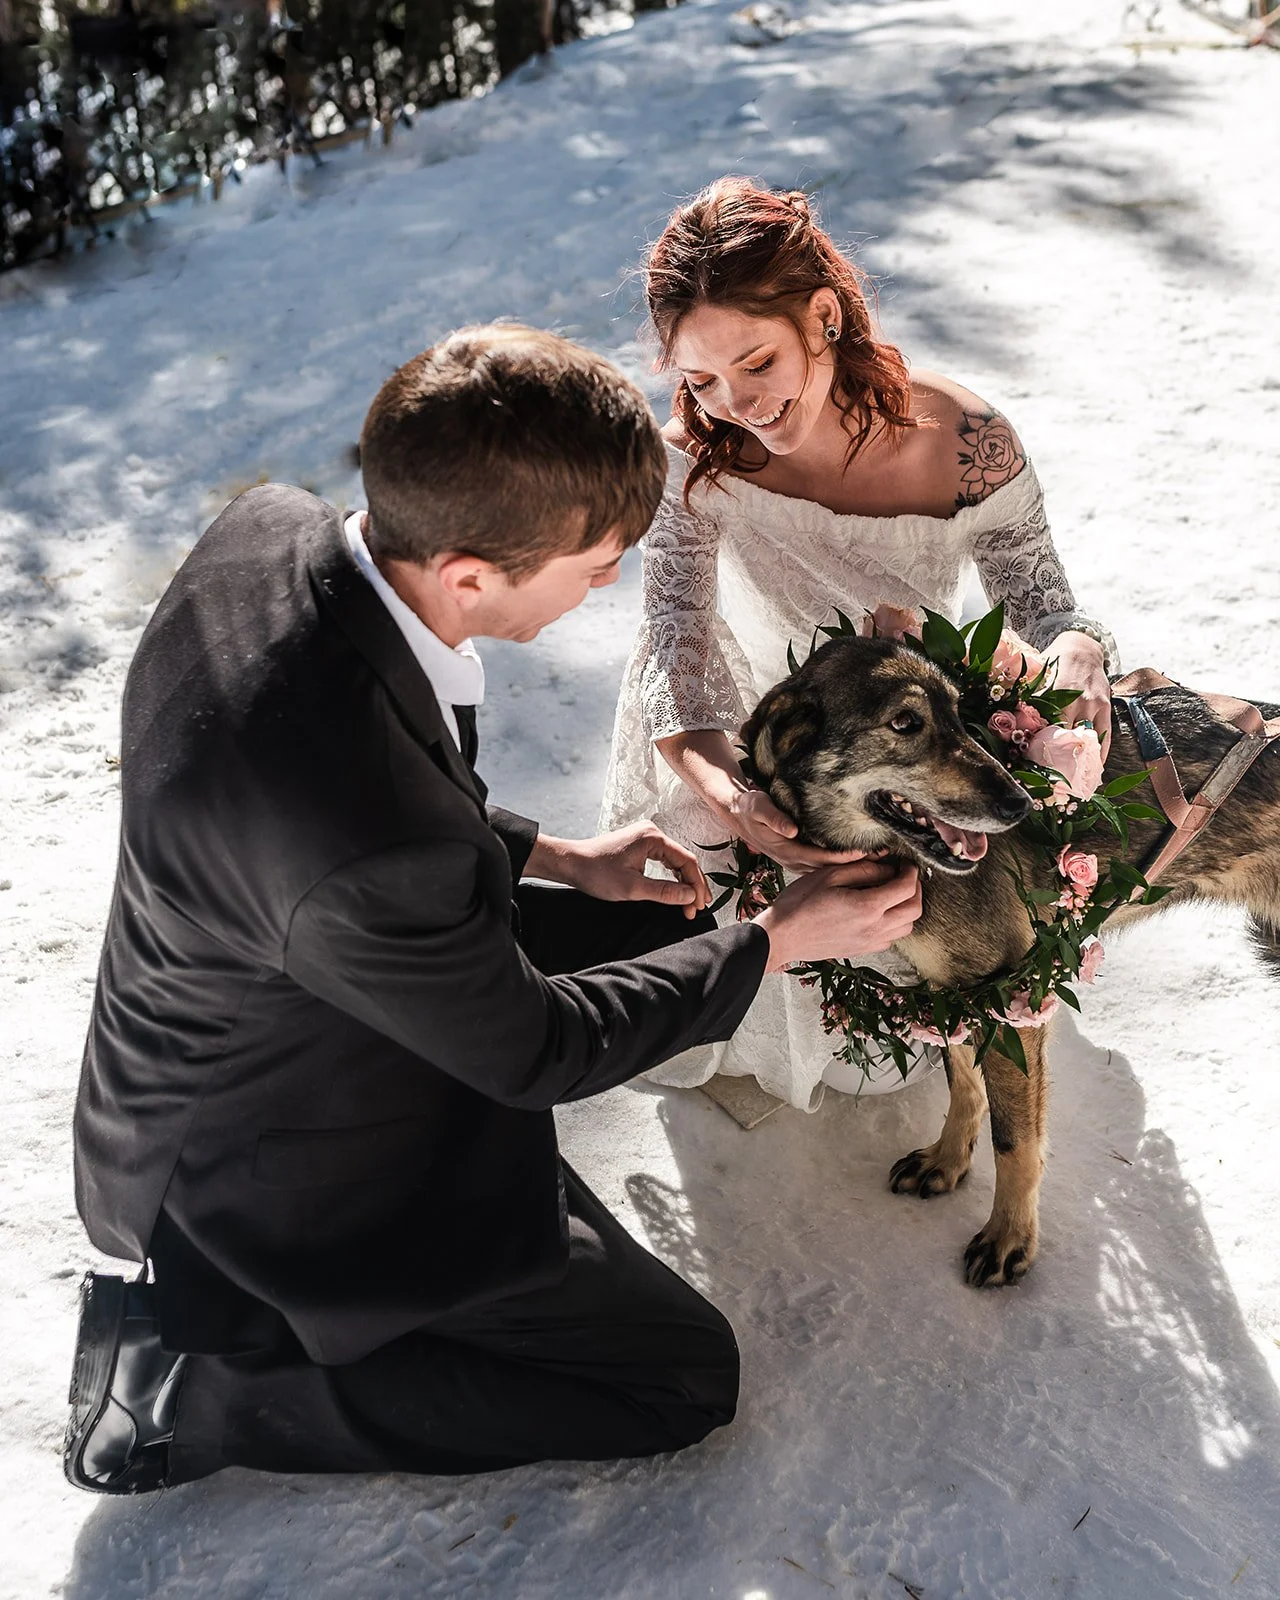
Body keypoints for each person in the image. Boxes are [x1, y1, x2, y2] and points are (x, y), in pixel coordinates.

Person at [64, 324, 924, 1494]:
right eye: (594, 561)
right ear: (469, 573)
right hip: (275, 1158)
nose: (606, 583)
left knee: (679, 921)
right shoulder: (361, 835)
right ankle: (209, 1390)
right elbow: (533, 1049)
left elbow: (371, 773)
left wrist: (563, 854)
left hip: (312, 989)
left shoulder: (278, 536)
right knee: (678, 1378)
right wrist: (779, 944)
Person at [601, 178, 1118, 1111]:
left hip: (897, 725)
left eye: (756, 361)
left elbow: (1044, 607)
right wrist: (734, 795)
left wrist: (1079, 648)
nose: (737, 405)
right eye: (703, 379)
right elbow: (674, 626)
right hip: (744, 722)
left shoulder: (968, 444)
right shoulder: (696, 450)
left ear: (825, 315)